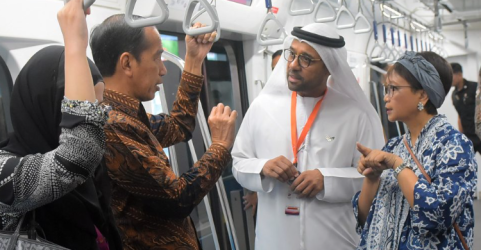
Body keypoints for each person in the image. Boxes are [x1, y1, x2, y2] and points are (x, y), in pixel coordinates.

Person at [232, 24, 384, 250]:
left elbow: (375, 178)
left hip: (334, 241)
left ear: (329, 66)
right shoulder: (262, 107)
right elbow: (238, 163)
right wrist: (262, 168)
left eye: (305, 59)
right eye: (291, 54)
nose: (292, 65)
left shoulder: (356, 114)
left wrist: (327, 180)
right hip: (274, 240)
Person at [90, 15, 237, 249]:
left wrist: (194, 59)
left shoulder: (129, 117)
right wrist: (219, 147)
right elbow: (177, 199)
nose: (163, 70)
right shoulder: (112, 126)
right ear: (127, 63)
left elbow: (180, 126)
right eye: (157, 57)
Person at [0, 1, 121, 249]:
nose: (99, 120)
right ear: (52, 108)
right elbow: (79, 154)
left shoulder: (90, 181)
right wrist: (75, 44)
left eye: (100, 108)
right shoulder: (5, 172)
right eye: (90, 109)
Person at [354, 51, 477, 249]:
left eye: (393, 88)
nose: (386, 97)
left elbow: (436, 214)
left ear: (423, 94)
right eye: (386, 89)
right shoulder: (394, 146)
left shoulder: (455, 146)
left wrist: (397, 165)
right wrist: (372, 177)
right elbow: (364, 219)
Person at [243, 49, 284, 221]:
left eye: (282, 67)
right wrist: (255, 193)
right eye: (274, 68)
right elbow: (246, 156)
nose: (279, 73)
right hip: (271, 198)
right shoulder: (261, 106)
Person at [451, 62, 481, 153]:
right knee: (466, 164)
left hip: (479, 134)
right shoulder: (454, 95)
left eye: (451, 76)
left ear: (459, 75)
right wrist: (462, 136)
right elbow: (459, 116)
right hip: (469, 137)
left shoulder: (474, 87)